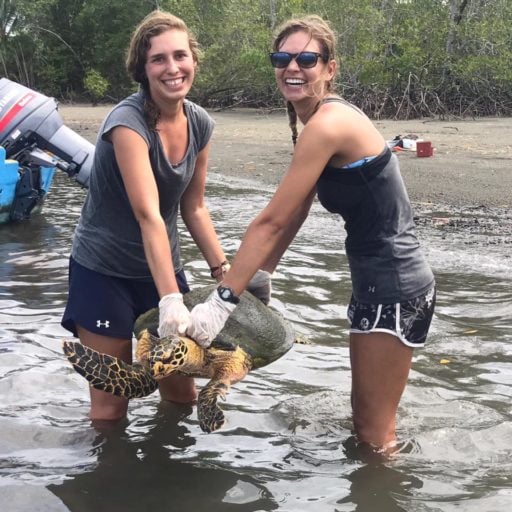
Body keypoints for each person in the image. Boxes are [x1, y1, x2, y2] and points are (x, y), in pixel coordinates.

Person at [186, 15, 436, 454]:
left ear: (330, 68)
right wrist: (263, 272)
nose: (293, 67)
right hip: (379, 284)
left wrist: (221, 303)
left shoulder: (327, 124)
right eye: (282, 58)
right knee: (365, 425)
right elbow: (297, 211)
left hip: (396, 287)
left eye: (307, 58)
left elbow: (272, 221)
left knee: (376, 439)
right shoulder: (318, 121)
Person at [61, 10, 234, 422]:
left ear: (194, 59)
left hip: (162, 268)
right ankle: (111, 484)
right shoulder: (126, 123)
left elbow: (194, 207)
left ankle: (172, 477)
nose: (172, 68)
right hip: (104, 273)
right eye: (158, 59)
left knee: (182, 392)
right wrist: (171, 299)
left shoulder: (200, 123)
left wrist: (223, 272)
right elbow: (148, 215)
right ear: (142, 68)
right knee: (110, 407)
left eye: (180, 55)